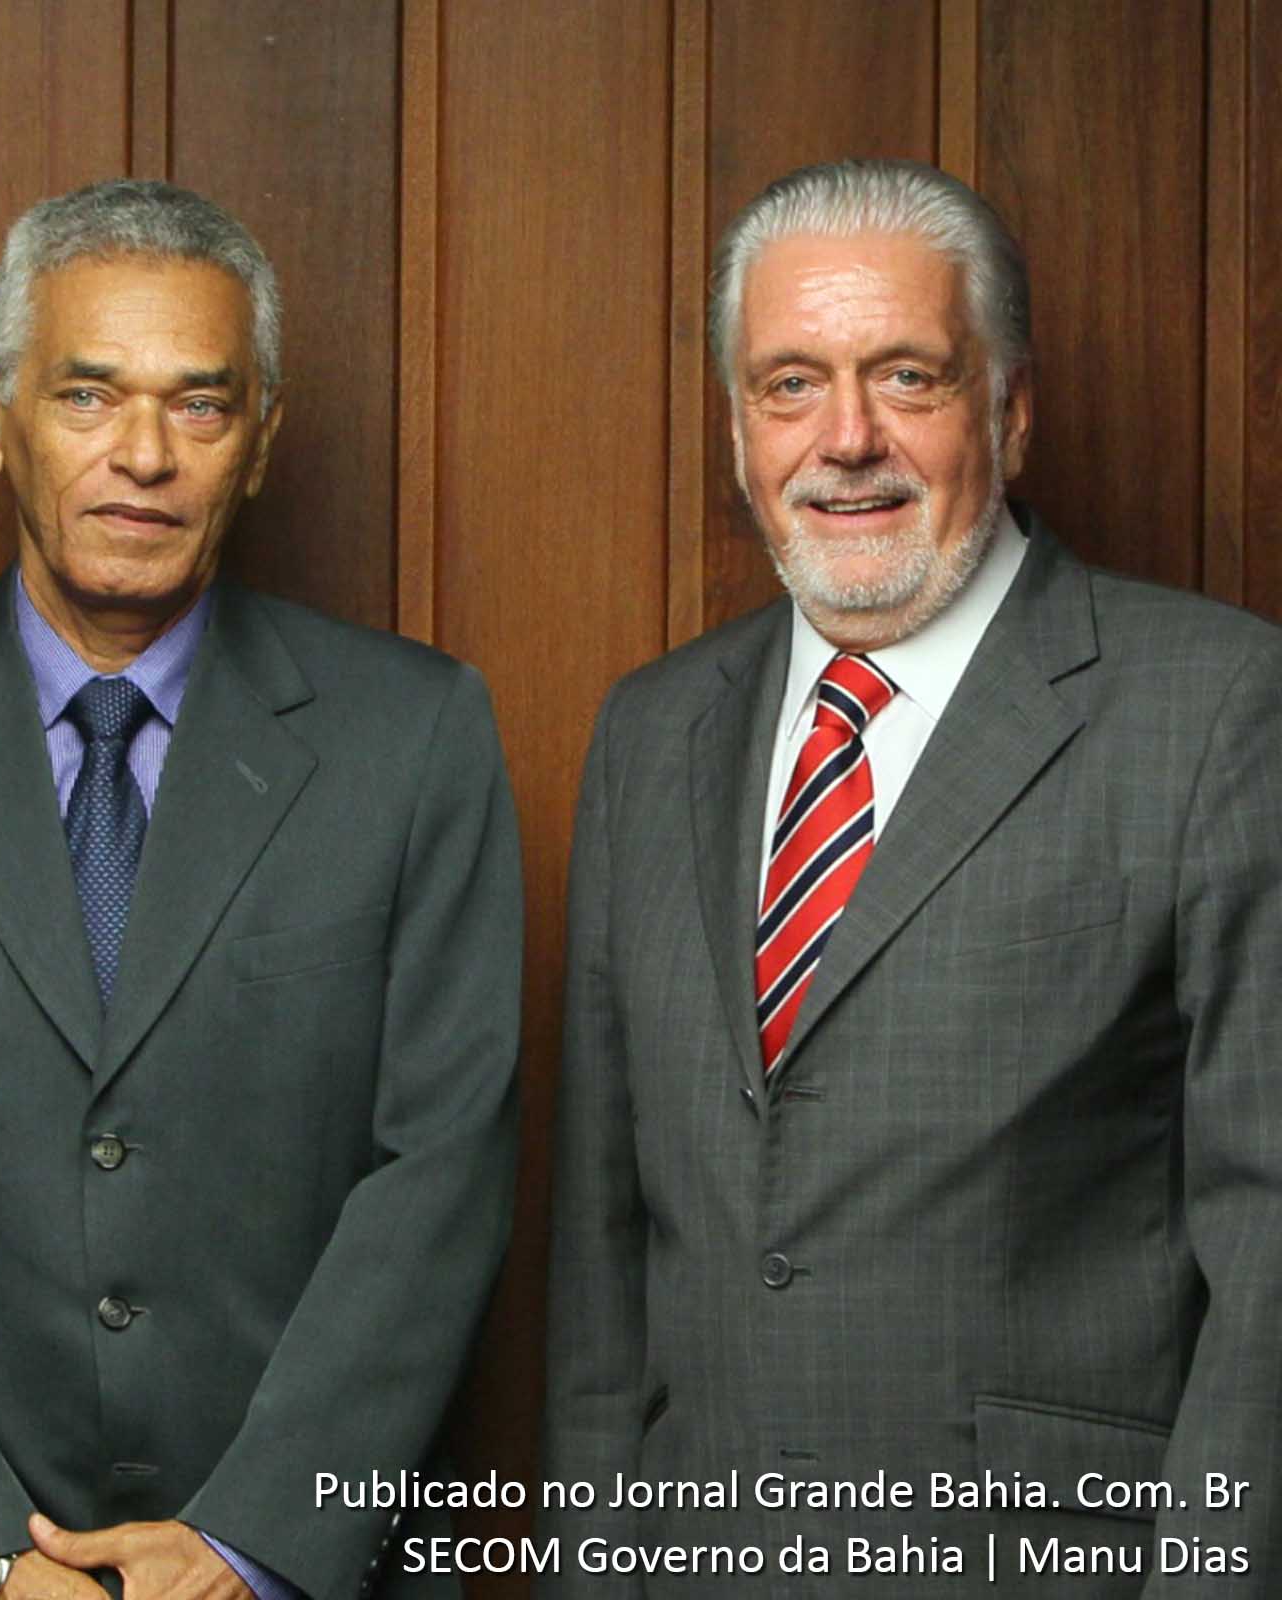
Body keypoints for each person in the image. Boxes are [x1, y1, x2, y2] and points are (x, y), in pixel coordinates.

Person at [0, 178, 522, 1600]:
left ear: (259, 439)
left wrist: (251, 1542)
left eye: (199, 407)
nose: (143, 454)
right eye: (87, 396)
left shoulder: (415, 737)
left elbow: (442, 1170)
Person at [541, 157, 1282, 1596]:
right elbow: (603, 1264)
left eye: (908, 378)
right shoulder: (652, 728)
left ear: (1007, 407)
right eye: (789, 384)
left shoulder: (1219, 707)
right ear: (739, 428)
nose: (848, 439)